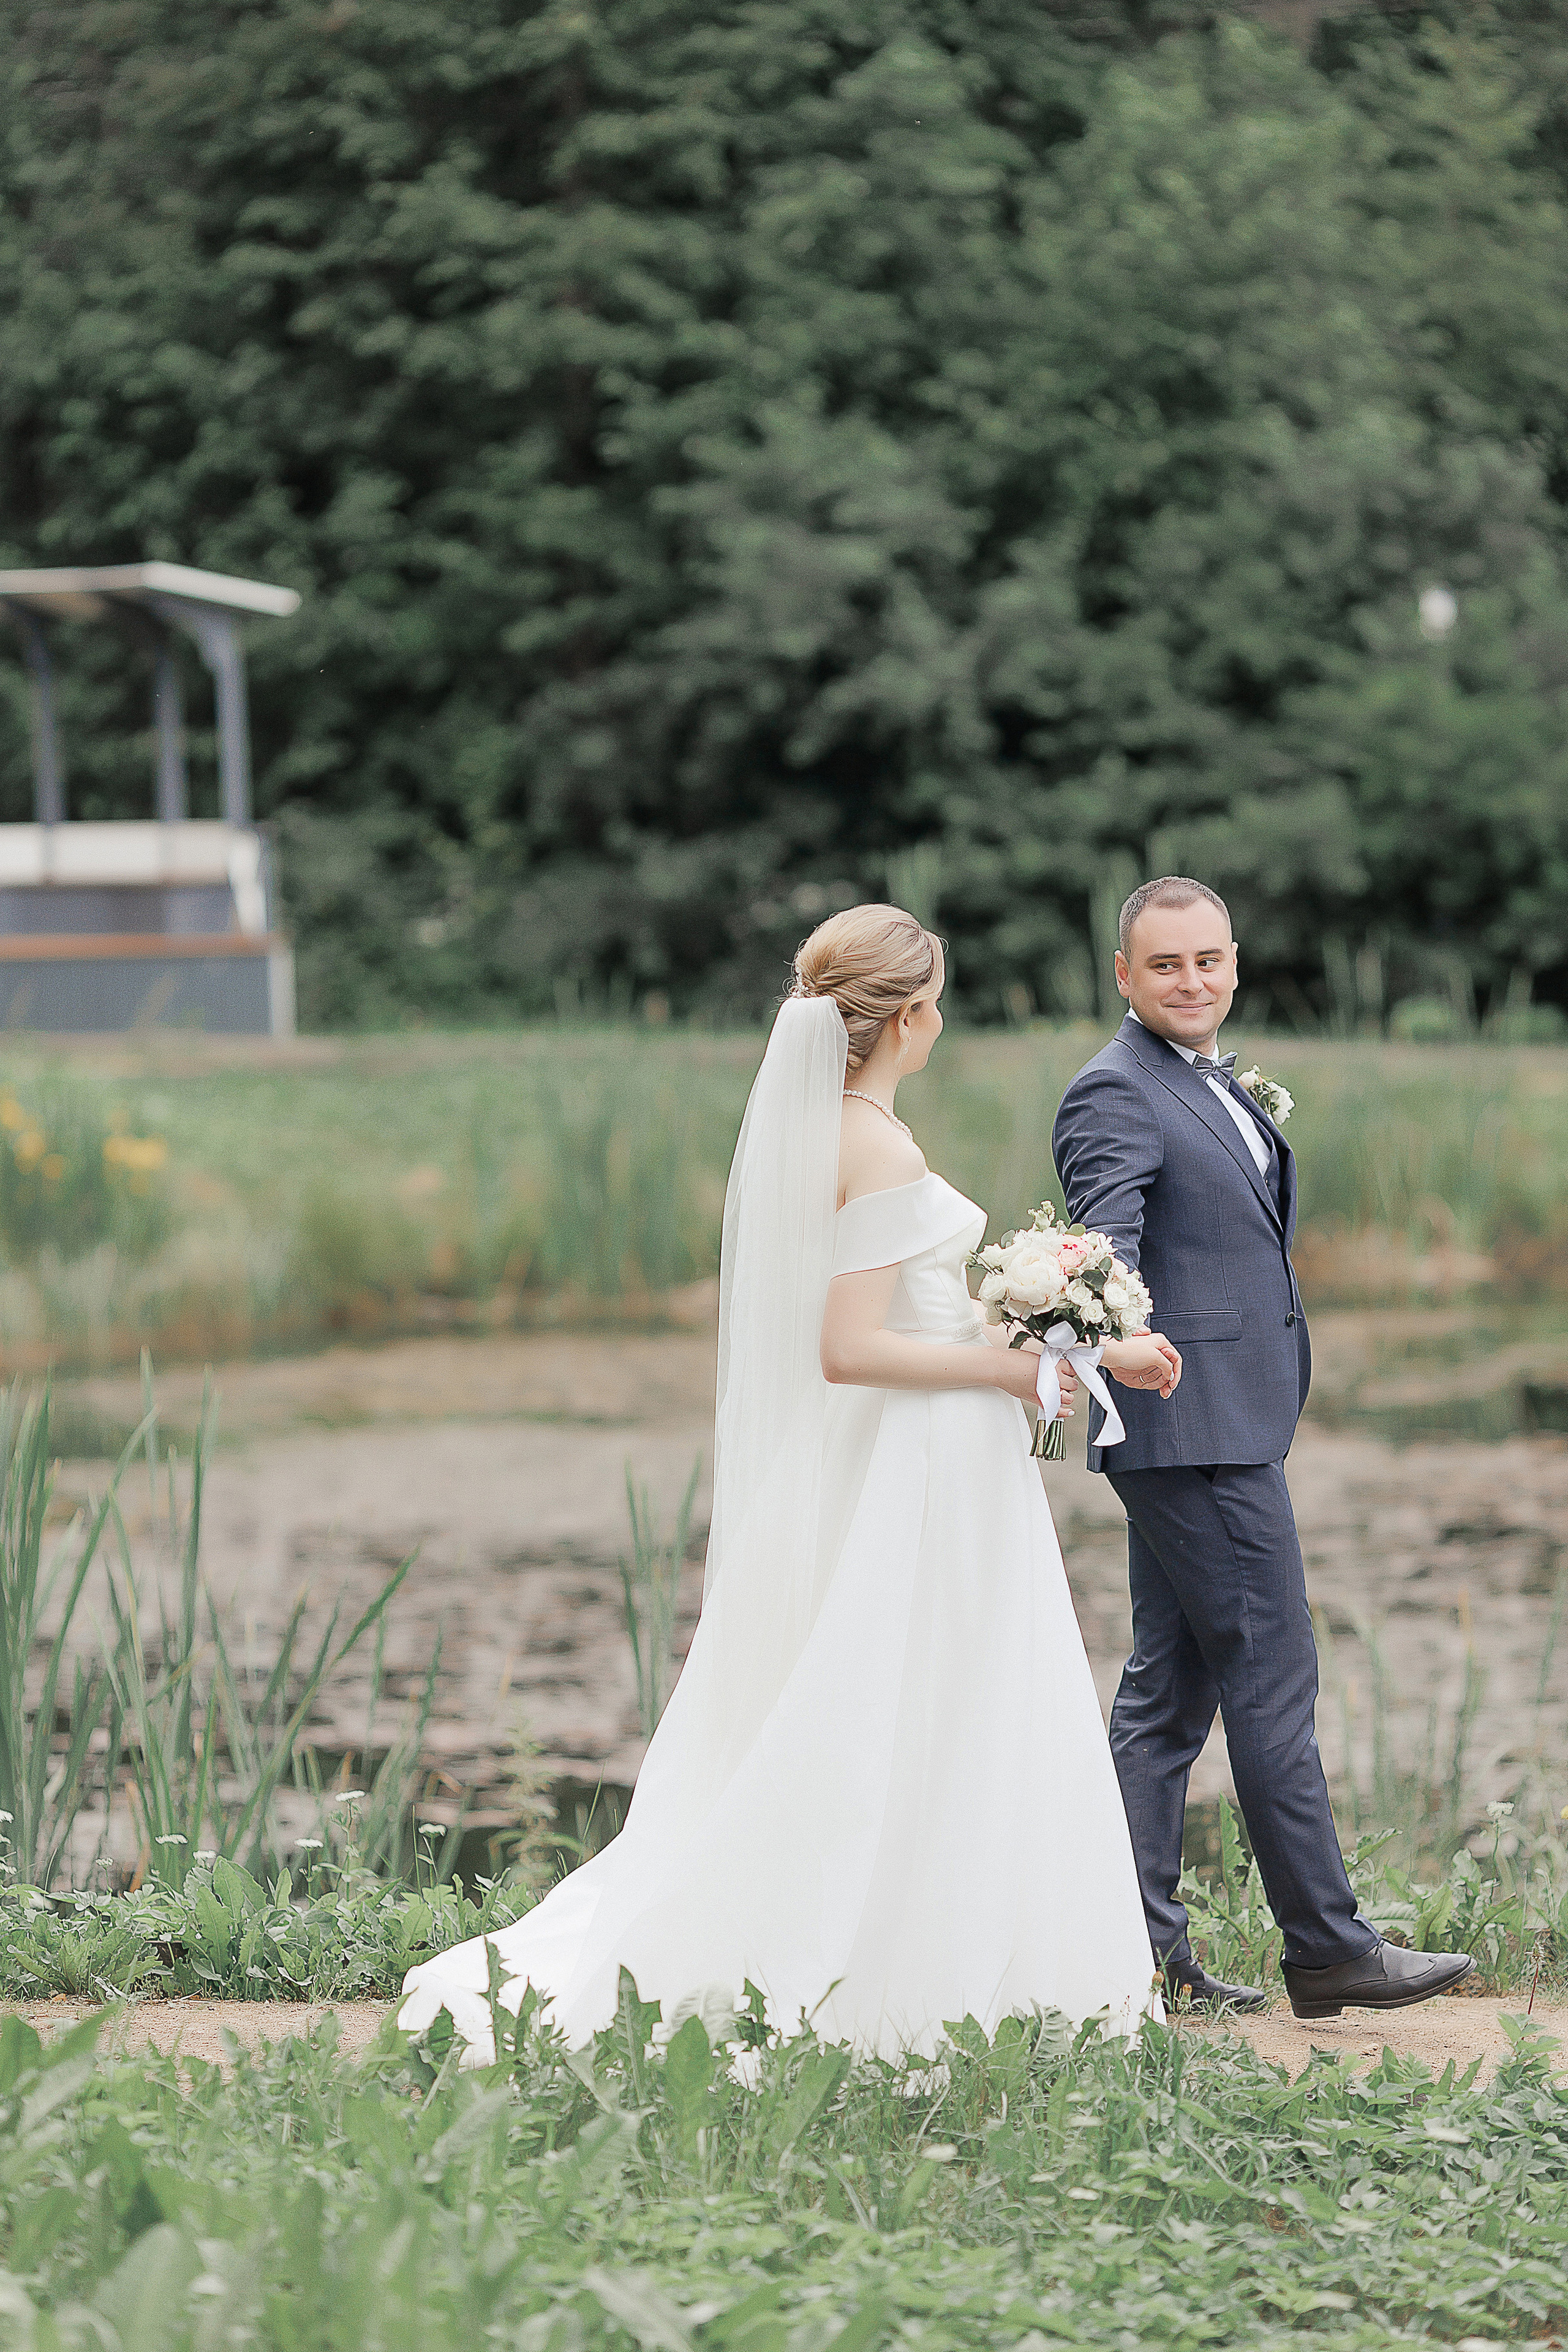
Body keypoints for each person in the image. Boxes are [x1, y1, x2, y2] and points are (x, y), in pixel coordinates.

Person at [400, 905, 1180, 2060]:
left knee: (925, 1700)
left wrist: (1043, 1324)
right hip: (921, 1466)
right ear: (907, 1017)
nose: (946, 1020)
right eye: (940, 1001)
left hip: (922, 1454)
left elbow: (899, 1312)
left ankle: (931, 1938)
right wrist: (1021, 1367)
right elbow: (848, 1350)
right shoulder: (877, 1146)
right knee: (935, 1699)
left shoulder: (837, 1129)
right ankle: (919, 1962)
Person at [1052, 875, 1474, 2019]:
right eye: (1167, 966)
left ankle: (1140, 1956)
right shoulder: (1114, 1091)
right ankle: (1329, 1950)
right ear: (1126, 977)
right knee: (1274, 1680)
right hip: (1193, 1429)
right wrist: (1127, 1332)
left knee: (1165, 1697)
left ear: (1233, 963)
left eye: (1211, 961)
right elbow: (1104, 1254)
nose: (1193, 982)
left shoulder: (1210, 1079)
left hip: (1228, 1420)